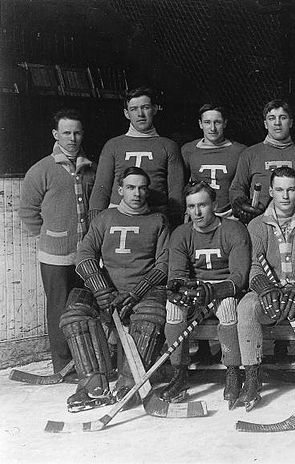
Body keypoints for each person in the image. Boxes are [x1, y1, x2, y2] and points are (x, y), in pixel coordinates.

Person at [59, 167, 169, 412]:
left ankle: (129, 383)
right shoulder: (105, 218)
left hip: (142, 292)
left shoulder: (158, 220)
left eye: (142, 187)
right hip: (107, 290)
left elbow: (163, 264)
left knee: (151, 313)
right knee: (74, 314)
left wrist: (136, 292)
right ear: (120, 190)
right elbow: (84, 255)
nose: (137, 193)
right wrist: (100, 289)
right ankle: (92, 385)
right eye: (130, 187)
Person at [236, 166, 295, 411]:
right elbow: (254, 264)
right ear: (271, 191)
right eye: (279, 190)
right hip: (272, 294)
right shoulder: (258, 224)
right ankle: (252, 376)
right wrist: (264, 288)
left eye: (291, 189)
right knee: (247, 305)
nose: (285, 196)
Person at [19, 108, 95, 375]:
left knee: (82, 308)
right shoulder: (41, 169)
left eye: (77, 132)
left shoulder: (90, 168)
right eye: (66, 133)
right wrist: (48, 235)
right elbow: (28, 211)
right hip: (55, 256)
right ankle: (63, 365)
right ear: (56, 134)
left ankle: (86, 361)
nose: (72, 138)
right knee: (59, 309)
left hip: (85, 256)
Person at [161, 181, 251, 407]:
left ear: (215, 204)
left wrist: (214, 290)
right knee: (173, 307)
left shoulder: (233, 229)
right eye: (191, 207)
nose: (197, 212)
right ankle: (179, 374)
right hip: (196, 292)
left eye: (202, 205)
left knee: (228, 306)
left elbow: (239, 276)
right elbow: (178, 273)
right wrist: (180, 289)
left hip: (223, 290)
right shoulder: (181, 233)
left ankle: (232, 370)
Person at [89, 86, 185, 227]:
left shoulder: (168, 146)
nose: (140, 114)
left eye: (145, 107)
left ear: (155, 109)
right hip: (118, 217)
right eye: (134, 109)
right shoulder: (113, 145)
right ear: (126, 113)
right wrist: (95, 225)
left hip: (156, 218)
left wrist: (175, 225)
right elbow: (100, 189)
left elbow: (176, 193)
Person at [181, 104, 246, 218]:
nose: (212, 128)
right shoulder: (188, 150)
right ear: (200, 124)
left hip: (229, 215)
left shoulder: (240, 151)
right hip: (198, 214)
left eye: (217, 122)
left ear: (225, 123)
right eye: (207, 122)